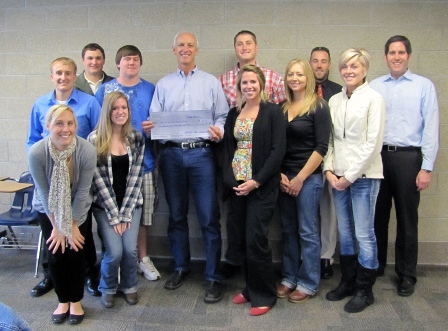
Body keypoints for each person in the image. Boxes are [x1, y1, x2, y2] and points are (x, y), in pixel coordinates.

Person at [148, 32, 228, 303]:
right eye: (180, 45)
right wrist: (151, 126)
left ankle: (213, 276)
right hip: (171, 155)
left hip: (201, 154)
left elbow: (223, 115)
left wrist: (219, 129)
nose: (185, 49)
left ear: (197, 50)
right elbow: (154, 119)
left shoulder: (210, 82)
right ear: (174, 50)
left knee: (208, 218)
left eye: (190, 45)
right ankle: (181, 267)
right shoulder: (164, 85)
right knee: (176, 216)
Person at [370, 35, 439, 297]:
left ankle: (406, 274)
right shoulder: (375, 86)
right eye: (391, 52)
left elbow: (431, 127)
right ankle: (375, 267)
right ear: (385, 56)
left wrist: (427, 167)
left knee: (407, 220)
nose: (396, 57)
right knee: (378, 216)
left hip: (410, 159)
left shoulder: (424, 86)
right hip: (378, 158)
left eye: (401, 52)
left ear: (408, 55)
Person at [27, 57, 101, 298]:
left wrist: (70, 223)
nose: (63, 77)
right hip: (50, 183)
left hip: (78, 180)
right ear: (52, 76)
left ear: (75, 75)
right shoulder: (39, 104)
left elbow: (98, 137)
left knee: (81, 236)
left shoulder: (89, 102)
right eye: (58, 73)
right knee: (53, 239)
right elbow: (32, 140)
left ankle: (89, 276)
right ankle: (52, 278)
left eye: (68, 73)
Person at [219, 29, 286, 279]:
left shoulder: (272, 112)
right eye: (244, 83)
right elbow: (228, 148)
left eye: (253, 82)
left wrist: (256, 181)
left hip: (261, 184)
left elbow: (277, 150)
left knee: (257, 239)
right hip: (238, 185)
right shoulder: (234, 113)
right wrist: (230, 179)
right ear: (239, 86)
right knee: (241, 236)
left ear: (262, 84)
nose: (249, 86)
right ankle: (250, 289)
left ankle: (263, 294)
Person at [323, 48, 385, 313]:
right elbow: (329, 140)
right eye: (345, 67)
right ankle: (347, 282)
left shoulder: (374, 99)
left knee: (364, 235)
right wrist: (329, 170)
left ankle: (364, 290)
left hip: (364, 178)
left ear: (365, 70)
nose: (349, 71)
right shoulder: (335, 100)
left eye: (355, 67)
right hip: (337, 178)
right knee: (345, 234)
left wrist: (348, 177)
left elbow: (373, 144)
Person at [95, 45, 161, 282]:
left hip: (145, 163)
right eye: (126, 59)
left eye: (135, 59)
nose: (131, 63)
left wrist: (154, 128)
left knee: (142, 215)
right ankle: (115, 260)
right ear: (118, 64)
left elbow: (161, 121)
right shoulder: (106, 90)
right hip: (111, 165)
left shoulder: (151, 89)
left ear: (140, 64)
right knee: (110, 211)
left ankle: (141, 259)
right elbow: (97, 124)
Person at [28, 104, 97, 324]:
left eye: (70, 123)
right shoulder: (37, 152)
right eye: (59, 123)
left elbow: (84, 191)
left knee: (75, 252)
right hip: (48, 208)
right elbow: (44, 191)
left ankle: (76, 300)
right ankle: (62, 300)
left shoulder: (86, 150)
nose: (65, 129)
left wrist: (72, 225)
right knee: (56, 253)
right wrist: (58, 227)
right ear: (48, 126)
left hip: (78, 206)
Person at [277, 59, 331, 303]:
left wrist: (300, 178)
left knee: (307, 231)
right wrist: (280, 175)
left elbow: (321, 147)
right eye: (291, 74)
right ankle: (289, 277)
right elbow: (275, 146)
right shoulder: (281, 107)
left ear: (308, 77)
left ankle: (308, 282)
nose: (294, 78)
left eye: (299, 74)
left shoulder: (318, 106)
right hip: (284, 178)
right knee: (288, 230)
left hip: (308, 179)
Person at [88, 91, 144, 308]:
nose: (120, 112)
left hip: (131, 203)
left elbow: (136, 177)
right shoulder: (95, 140)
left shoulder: (136, 138)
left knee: (130, 250)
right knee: (114, 251)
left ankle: (130, 286)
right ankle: (108, 286)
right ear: (107, 112)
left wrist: (126, 213)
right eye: (115, 108)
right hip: (104, 205)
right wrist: (115, 216)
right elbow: (99, 182)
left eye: (124, 108)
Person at [310, 46, 343, 279]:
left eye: (324, 61)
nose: (319, 65)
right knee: (308, 212)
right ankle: (309, 255)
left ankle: (326, 257)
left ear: (330, 65)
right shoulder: (300, 89)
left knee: (329, 211)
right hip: (306, 161)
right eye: (315, 61)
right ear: (309, 64)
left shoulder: (340, 92)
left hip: (332, 161)